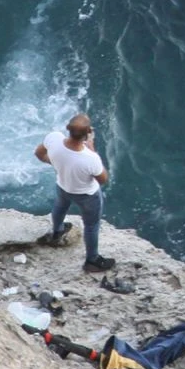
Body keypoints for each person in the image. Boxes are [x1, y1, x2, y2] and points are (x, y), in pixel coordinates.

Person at [33, 113, 115, 273]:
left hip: (63, 186)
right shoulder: (90, 158)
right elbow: (103, 179)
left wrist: (55, 163)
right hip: (87, 195)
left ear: (68, 129)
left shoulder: (54, 138)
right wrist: (92, 149)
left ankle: (56, 232)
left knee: (60, 206)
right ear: (87, 134)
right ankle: (92, 260)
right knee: (91, 225)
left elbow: (39, 153)